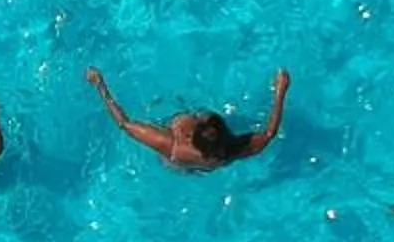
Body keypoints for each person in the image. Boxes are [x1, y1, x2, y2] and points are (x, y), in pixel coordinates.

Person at [85, 64, 289, 170]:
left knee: (176, 116)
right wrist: (280, 92)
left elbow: (124, 123)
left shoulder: (171, 144)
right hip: (209, 165)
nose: (199, 117)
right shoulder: (232, 149)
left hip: (177, 163)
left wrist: (100, 85)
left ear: (190, 136)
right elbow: (270, 133)